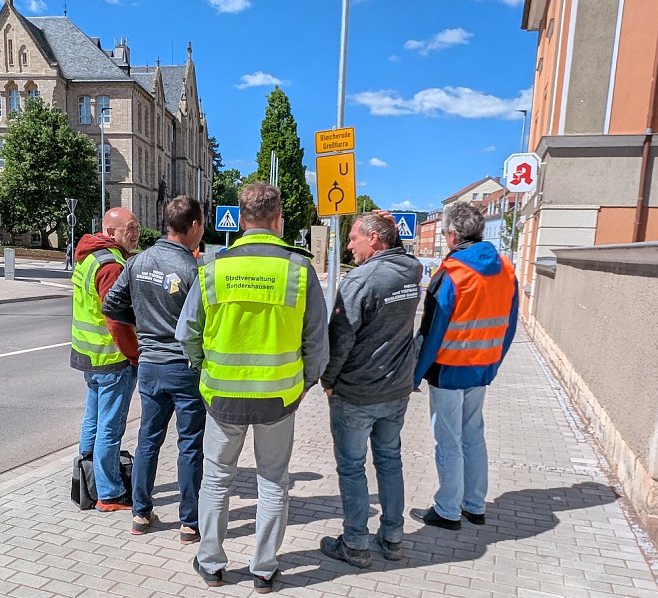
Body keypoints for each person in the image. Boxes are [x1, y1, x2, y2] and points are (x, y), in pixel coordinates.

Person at [176, 183, 328, 594]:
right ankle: (264, 569)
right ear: (278, 220)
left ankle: (211, 564)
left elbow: (185, 332)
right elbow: (317, 343)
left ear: (241, 221)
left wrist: (203, 370)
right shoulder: (299, 270)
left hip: (222, 397)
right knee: (273, 481)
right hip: (278, 398)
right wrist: (303, 384)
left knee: (217, 480)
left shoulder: (213, 268)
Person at [318, 213, 423, 567]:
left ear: (375, 239)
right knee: (390, 462)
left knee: (352, 467)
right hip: (397, 388)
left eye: (353, 239)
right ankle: (393, 538)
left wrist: (327, 380)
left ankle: (356, 544)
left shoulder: (361, 280)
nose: (349, 246)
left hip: (358, 391)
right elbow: (405, 255)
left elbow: (340, 338)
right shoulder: (411, 270)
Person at [102, 196, 207, 543]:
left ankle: (140, 514)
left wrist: (145, 325)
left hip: (150, 365)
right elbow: (204, 323)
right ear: (192, 226)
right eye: (202, 224)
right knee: (190, 444)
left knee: (148, 439)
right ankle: (189, 523)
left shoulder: (137, 262)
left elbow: (111, 304)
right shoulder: (194, 271)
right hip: (184, 366)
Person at [410, 201, 519, 530]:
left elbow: (432, 331)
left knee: (448, 439)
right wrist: (495, 363)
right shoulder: (505, 268)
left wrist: (416, 373)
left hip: (449, 368)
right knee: (473, 434)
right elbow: (512, 324)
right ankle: (474, 504)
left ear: (453, 234)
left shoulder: (452, 272)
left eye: (444, 232)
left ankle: (447, 509)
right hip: (482, 367)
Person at [70, 207, 140, 512]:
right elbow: (117, 320)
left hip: (90, 356)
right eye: (130, 228)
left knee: (93, 420)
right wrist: (134, 354)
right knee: (110, 427)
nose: (135, 233)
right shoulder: (111, 265)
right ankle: (109, 493)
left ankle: (87, 478)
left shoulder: (90, 256)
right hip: (112, 359)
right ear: (111, 232)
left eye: (136, 227)